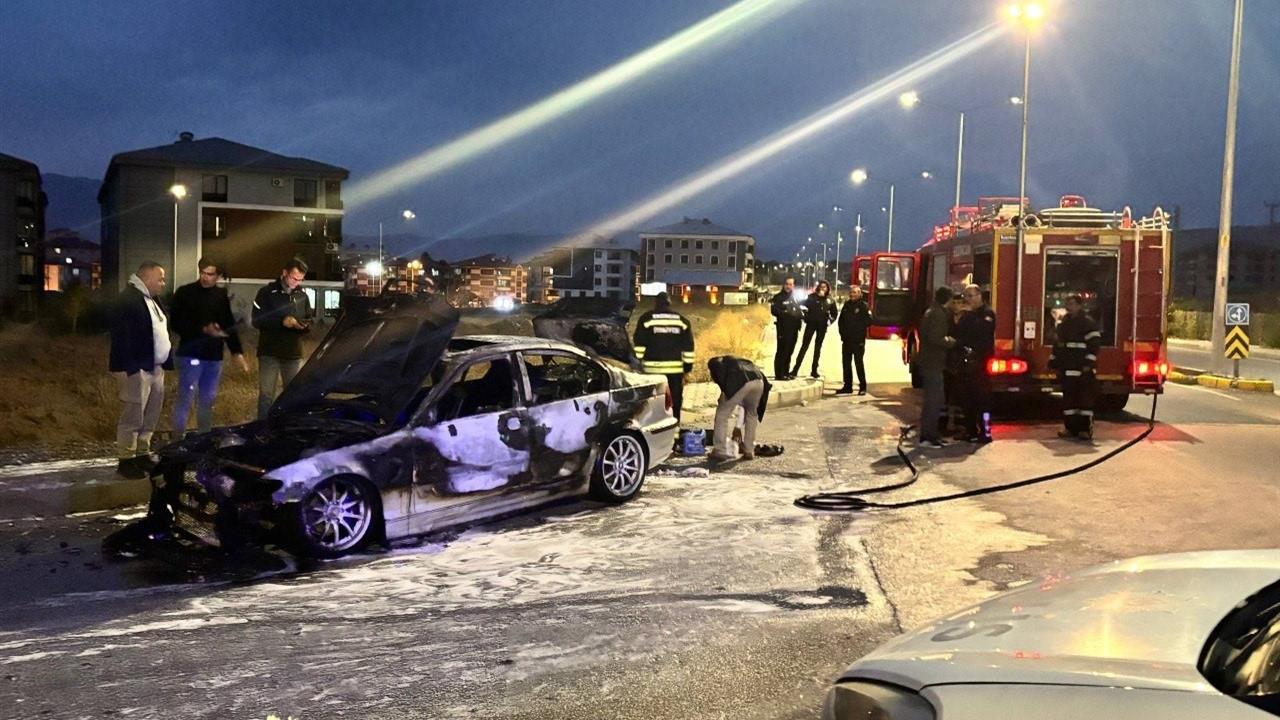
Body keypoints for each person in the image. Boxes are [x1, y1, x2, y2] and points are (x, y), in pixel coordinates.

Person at [169, 259, 250, 435]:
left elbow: (228, 324)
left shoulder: (220, 295)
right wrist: (203, 329)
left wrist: (237, 352)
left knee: (207, 399)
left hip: (214, 357)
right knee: (186, 397)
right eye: (203, 273)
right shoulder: (185, 293)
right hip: (191, 354)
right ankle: (177, 439)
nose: (205, 277)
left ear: (218, 276)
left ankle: (203, 437)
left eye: (210, 274)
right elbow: (175, 323)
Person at [108, 261, 173, 479]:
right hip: (136, 368)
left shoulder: (151, 299)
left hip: (155, 367)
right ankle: (126, 459)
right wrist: (130, 367)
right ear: (146, 278)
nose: (163, 283)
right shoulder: (128, 300)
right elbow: (122, 337)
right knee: (133, 414)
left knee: (151, 412)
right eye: (160, 278)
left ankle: (142, 453)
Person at [253, 258, 313, 419]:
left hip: (293, 353)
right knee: (266, 395)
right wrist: (282, 322)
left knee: (292, 395)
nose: (297, 282)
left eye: (300, 279)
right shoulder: (266, 293)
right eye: (294, 278)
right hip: (269, 352)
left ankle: (289, 428)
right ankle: (263, 430)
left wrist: (303, 326)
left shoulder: (302, 296)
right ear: (284, 273)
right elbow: (256, 320)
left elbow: (309, 319)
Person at [633, 292, 695, 422]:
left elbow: (639, 344)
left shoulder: (646, 319)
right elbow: (688, 346)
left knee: (651, 401)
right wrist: (687, 367)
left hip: (652, 371)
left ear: (656, 303)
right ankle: (674, 432)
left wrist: (637, 365)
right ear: (669, 304)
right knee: (674, 401)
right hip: (674, 372)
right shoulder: (681, 321)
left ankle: (653, 428)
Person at [1050, 294, 1101, 439]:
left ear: (1079, 305)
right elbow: (1058, 345)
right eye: (1067, 304)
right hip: (1067, 369)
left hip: (1083, 369)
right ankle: (1070, 428)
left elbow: (1094, 346)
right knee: (1068, 401)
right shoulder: (1064, 324)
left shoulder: (1088, 324)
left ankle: (1085, 429)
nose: (1068, 307)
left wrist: (1088, 364)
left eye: (1072, 304)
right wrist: (1053, 362)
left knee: (1085, 400)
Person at [707, 355, 770, 462]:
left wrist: (737, 428)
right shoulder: (735, 363)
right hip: (759, 381)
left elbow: (730, 391)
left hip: (741, 382)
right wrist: (738, 427)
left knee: (722, 415)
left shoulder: (718, 367)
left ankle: (720, 450)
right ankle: (749, 450)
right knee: (752, 414)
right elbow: (743, 405)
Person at [954, 284, 996, 443]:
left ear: (979, 296)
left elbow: (982, 331)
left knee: (982, 399)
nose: (969, 299)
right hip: (966, 362)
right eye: (967, 296)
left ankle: (985, 432)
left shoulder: (987, 313)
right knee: (966, 398)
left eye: (971, 296)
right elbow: (961, 334)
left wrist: (969, 316)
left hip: (981, 362)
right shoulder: (967, 315)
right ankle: (970, 430)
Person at [916, 286, 957, 448]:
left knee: (933, 400)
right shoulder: (938, 314)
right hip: (933, 363)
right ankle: (928, 437)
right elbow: (936, 338)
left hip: (929, 362)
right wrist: (951, 342)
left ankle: (930, 434)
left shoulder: (931, 311)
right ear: (948, 299)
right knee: (934, 400)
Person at [791, 280, 837, 379]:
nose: (822, 288)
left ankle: (814, 370)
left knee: (818, 348)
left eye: (824, 287)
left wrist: (829, 321)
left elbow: (834, 314)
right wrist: (804, 316)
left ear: (828, 288)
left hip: (822, 326)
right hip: (811, 325)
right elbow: (801, 304)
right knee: (804, 346)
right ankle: (795, 369)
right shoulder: (811, 297)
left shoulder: (830, 300)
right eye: (821, 287)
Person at [836, 285, 871, 395]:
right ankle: (847, 386)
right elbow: (841, 321)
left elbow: (869, 321)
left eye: (855, 292)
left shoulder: (863, 306)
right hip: (846, 340)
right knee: (846, 364)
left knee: (858, 363)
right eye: (851, 292)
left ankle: (863, 387)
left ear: (860, 294)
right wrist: (842, 334)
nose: (852, 294)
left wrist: (858, 329)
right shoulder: (847, 305)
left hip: (858, 341)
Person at [770, 277, 805, 380]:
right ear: (783, 285)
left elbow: (799, 310)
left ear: (793, 286)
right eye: (787, 284)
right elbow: (774, 310)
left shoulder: (795, 297)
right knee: (782, 351)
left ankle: (786, 372)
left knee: (790, 351)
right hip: (783, 328)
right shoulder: (778, 297)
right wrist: (787, 314)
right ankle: (779, 374)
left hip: (794, 328)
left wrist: (802, 314)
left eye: (791, 284)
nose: (788, 286)